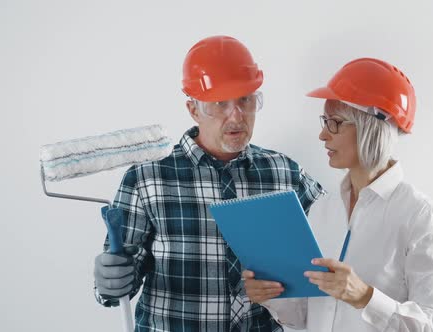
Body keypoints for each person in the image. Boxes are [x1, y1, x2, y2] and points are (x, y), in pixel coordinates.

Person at [92, 35, 324, 332]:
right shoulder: (147, 179)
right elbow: (118, 286)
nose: (237, 116)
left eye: (246, 100)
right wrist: (109, 281)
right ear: (193, 109)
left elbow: (340, 233)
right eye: (219, 104)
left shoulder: (284, 172)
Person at [243, 58, 433, 331]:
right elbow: (306, 316)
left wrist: (365, 296)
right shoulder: (323, 209)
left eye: (335, 122)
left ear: (370, 127)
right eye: (325, 121)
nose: (322, 135)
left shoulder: (421, 216)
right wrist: (272, 295)